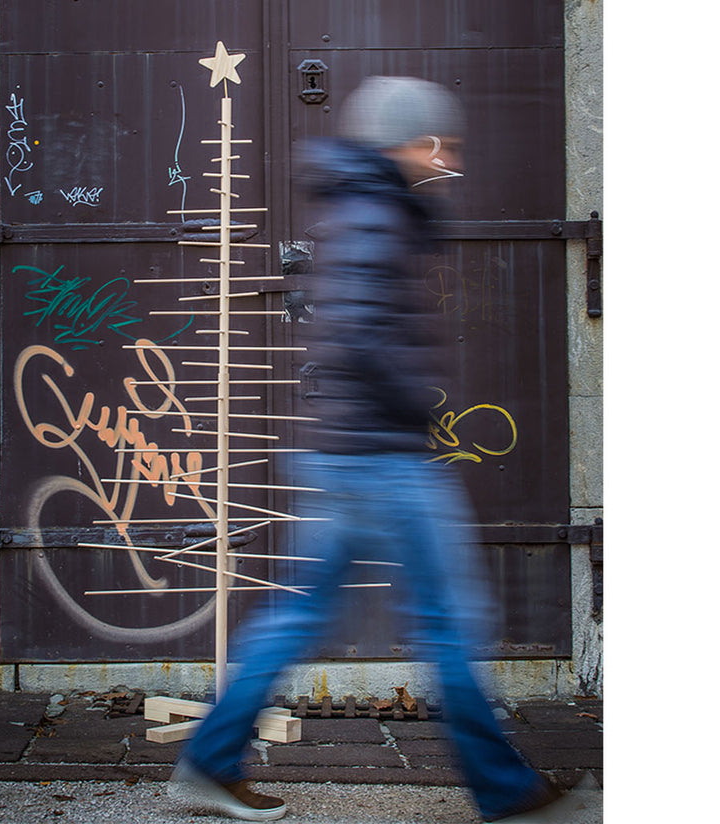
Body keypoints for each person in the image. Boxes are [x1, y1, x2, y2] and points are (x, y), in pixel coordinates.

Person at [168, 76, 565, 823]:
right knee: (451, 620)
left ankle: (209, 763)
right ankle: (508, 793)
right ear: (407, 143)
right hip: (381, 456)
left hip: (348, 453)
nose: (449, 159)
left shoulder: (366, 208)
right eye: (439, 145)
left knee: (299, 617)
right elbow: (355, 332)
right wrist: (420, 401)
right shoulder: (377, 214)